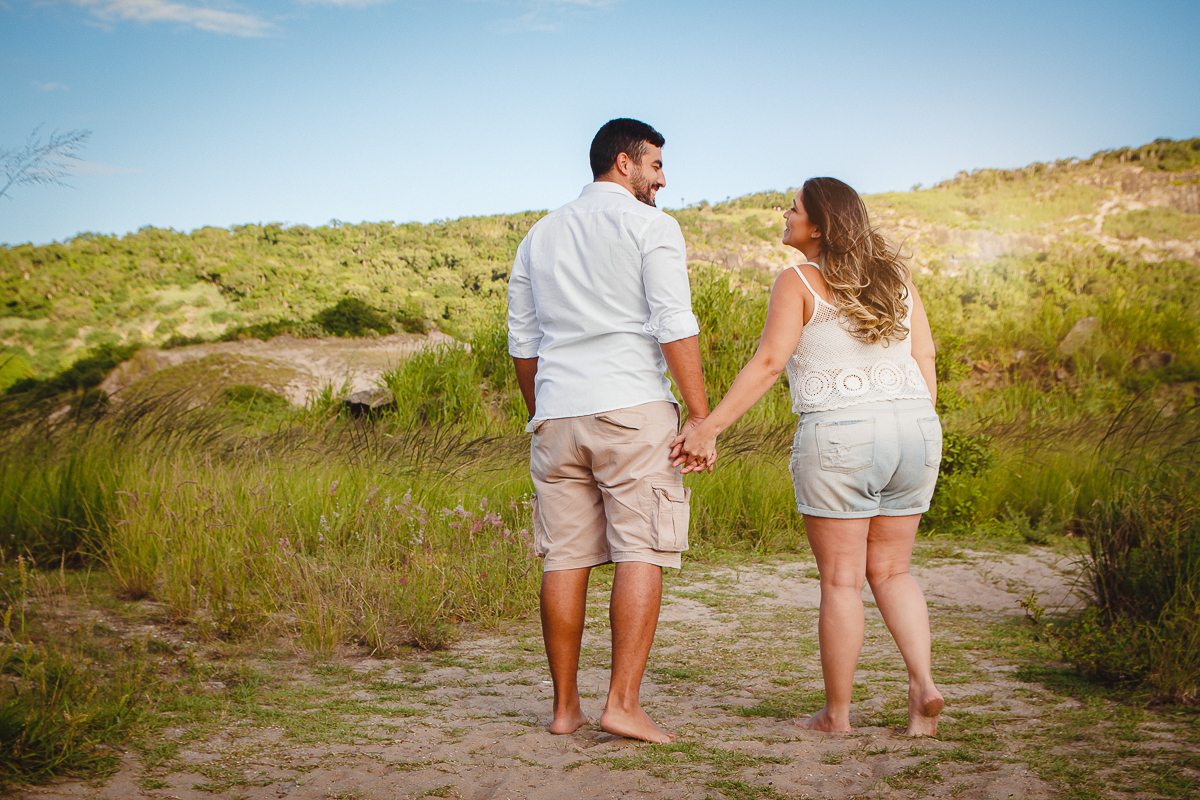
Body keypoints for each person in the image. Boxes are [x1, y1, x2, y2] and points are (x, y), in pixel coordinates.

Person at [670, 177, 944, 736]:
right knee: (893, 571)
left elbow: (770, 364)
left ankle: (837, 717)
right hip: (917, 427)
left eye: (792, 208)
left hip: (844, 434)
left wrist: (709, 429)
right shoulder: (897, 279)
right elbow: (925, 354)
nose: (784, 214)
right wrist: (918, 422)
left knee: (843, 581)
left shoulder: (797, 281)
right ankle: (923, 688)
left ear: (818, 225)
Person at [507, 118, 709, 744]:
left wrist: (543, 408)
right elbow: (674, 323)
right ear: (624, 163)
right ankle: (622, 703)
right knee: (640, 548)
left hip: (558, 413)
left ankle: (565, 710)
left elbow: (523, 341)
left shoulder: (538, 236)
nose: (662, 179)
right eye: (654, 166)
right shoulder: (651, 227)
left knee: (565, 558)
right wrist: (699, 415)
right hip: (631, 406)